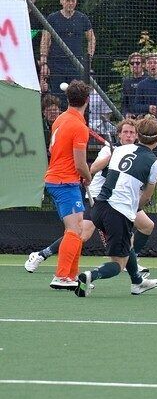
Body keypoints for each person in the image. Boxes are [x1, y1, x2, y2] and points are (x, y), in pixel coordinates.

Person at [25, 119, 156, 277]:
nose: (128, 135)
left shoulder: (135, 153)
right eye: (125, 132)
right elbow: (92, 168)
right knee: (82, 235)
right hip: (98, 198)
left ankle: (129, 260)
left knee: (147, 225)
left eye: (132, 133)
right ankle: (41, 254)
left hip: (121, 201)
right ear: (119, 135)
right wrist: (110, 159)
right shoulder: (110, 150)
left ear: (137, 136)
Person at [74, 116, 157, 297]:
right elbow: (146, 195)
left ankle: (137, 282)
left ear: (137, 134)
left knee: (127, 244)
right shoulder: (154, 162)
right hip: (118, 212)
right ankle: (90, 275)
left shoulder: (120, 149)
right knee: (118, 264)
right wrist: (132, 209)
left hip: (99, 206)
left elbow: (107, 167)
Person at [42, 80, 92, 290]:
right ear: (87, 101)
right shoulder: (79, 127)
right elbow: (80, 163)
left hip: (59, 179)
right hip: (65, 182)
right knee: (74, 229)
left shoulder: (60, 119)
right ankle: (61, 276)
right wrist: (88, 176)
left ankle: (71, 275)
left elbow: (56, 152)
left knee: (77, 229)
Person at [39, 0, 96, 106]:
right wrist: (44, 62)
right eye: (67, 0)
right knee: (57, 97)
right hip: (56, 64)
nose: (70, 3)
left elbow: (91, 39)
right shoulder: (52, 18)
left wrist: (89, 58)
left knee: (77, 95)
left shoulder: (82, 18)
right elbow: (45, 40)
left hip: (76, 65)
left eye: (73, 1)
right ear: (61, 1)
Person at [121, 52, 146, 118]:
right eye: (132, 63)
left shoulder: (148, 79)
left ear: (143, 65)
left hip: (145, 118)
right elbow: (124, 103)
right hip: (131, 119)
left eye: (137, 63)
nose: (134, 65)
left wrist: (143, 114)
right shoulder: (126, 81)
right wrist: (126, 113)